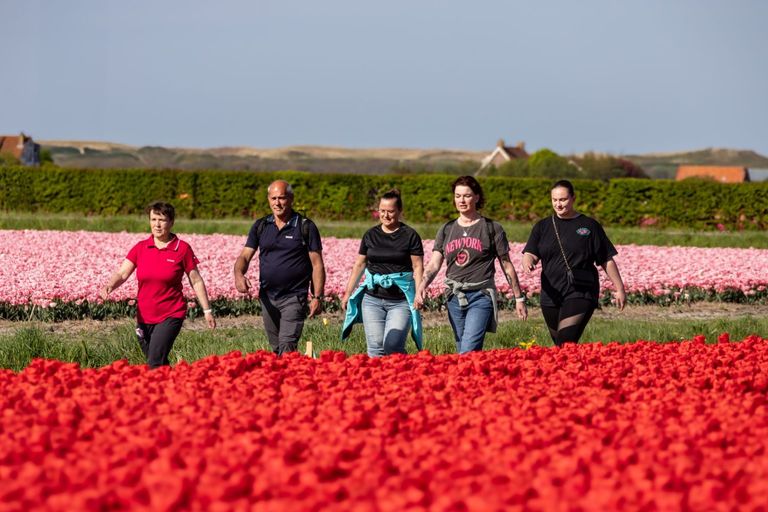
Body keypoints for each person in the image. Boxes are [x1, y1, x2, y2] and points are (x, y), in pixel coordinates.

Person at [416, 176, 527, 354]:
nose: (462, 200)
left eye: (466, 196)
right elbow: (434, 264)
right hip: (453, 296)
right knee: (463, 349)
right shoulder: (447, 229)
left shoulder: (492, 228)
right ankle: (472, 381)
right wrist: (422, 286)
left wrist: (519, 298)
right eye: (458, 196)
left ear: (476, 197)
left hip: (481, 295)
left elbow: (506, 265)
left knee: (468, 349)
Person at [101, 202, 216, 368]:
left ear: (171, 222)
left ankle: (157, 392)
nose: (157, 224)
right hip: (144, 316)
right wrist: (109, 285)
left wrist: (207, 311)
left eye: (162, 220)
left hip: (171, 313)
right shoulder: (141, 248)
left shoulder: (182, 249)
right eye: (153, 219)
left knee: (154, 361)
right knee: (158, 363)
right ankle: (175, 388)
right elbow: (122, 273)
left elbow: (196, 280)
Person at [522, 179, 626, 347]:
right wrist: (528, 261)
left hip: (580, 291)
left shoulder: (589, 226)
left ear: (573, 199)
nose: (558, 204)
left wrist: (620, 288)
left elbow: (606, 259)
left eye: (563, 199)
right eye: (554, 200)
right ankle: (574, 372)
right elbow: (530, 252)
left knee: (565, 342)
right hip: (551, 293)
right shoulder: (543, 226)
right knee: (560, 347)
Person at [233, 180, 326, 355]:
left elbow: (317, 264)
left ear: (291, 199)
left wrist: (317, 297)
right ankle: (287, 378)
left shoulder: (305, 226)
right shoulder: (261, 226)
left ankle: (289, 379)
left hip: (294, 297)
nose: (277, 203)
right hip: (267, 297)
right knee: (276, 349)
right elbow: (244, 256)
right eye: (273, 198)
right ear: (268, 199)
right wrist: (239, 274)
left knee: (287, 346)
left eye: (282, 198)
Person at [341, 189, 424, 356]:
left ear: (400, 211)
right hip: (372, 299)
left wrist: (419, 293)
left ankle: (402, 378)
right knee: (376, 347)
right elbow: (360, 264)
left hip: (400, 300)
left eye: (391, 211)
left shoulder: (410, 236)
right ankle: (377, 381)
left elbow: (417, 266)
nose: (386, 215)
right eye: (382, 211)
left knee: (393, 346)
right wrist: (348, 293)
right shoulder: (370, 235)